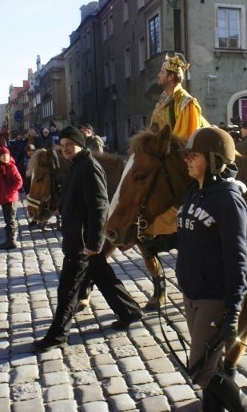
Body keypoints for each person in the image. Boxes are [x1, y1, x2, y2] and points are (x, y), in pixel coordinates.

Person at [33, 126, 142, 353]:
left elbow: (99, 206)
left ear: (81, 144)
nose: (65, 149)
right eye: (62, 146)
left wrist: (94, 243)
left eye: (69, 145)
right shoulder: (76, 166)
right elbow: (76, 199)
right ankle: (129, 311)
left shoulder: (90, 167)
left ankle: (57, 335)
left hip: (83, 242)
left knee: (68, 290)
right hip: (77, 238)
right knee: (102, 276)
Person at [176, 127, 247, 412]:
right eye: (187, 155)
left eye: (194, 156)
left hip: (213, 297)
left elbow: (237, 258)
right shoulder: (195, 192)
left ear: (214, 160)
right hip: (192, 292)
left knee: (200, 369)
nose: (187, 160)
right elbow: (190, 232)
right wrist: (157, 242)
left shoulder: (229, 201)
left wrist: (233, 311)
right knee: (208, 365)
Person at [151, 53, 209, 140]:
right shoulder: (162, 100)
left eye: (162, 72)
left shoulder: (186, 103)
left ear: (171, 77)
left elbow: (183, 139)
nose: (158, 75)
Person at [0, 146, 24, 250]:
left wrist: (9, 192)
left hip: (10, 198)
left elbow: (19, 182)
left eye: (7, 155)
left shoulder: (11, 167)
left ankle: (11, 241)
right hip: (3, 198)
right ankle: (9, 239)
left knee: (10, 219)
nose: (5, 157)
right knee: (7, 219)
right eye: (3, 155)